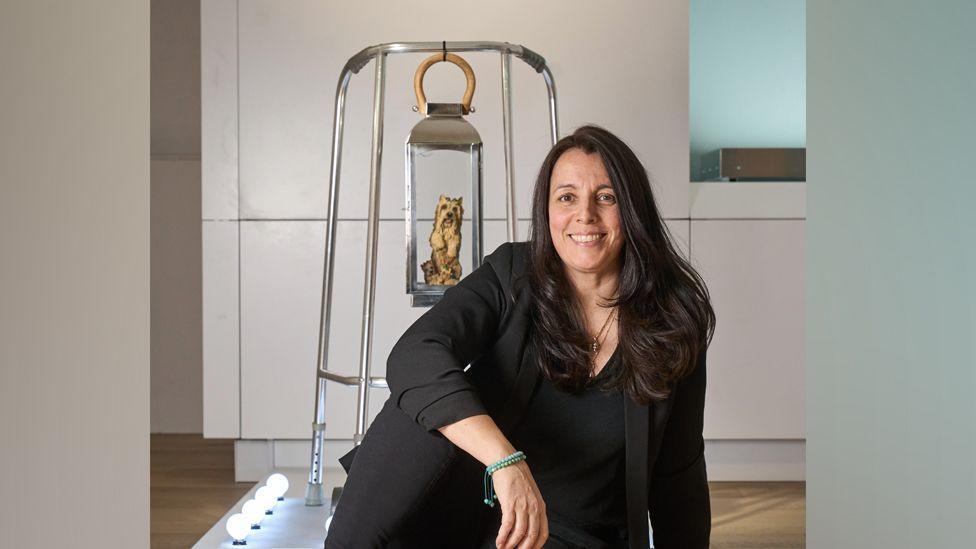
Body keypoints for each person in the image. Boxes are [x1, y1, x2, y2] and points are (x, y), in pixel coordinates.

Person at [324, 125, 715, 549]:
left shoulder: (673, 318)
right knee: (418, 410)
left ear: (633, 209)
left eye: (606, 197)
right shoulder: (513, 273)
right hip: (458, 511)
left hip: (561, 536)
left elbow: (680, 476)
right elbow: (414, 354)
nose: (585, 215)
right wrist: (505, 461)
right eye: (567, 197)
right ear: (546, 211)